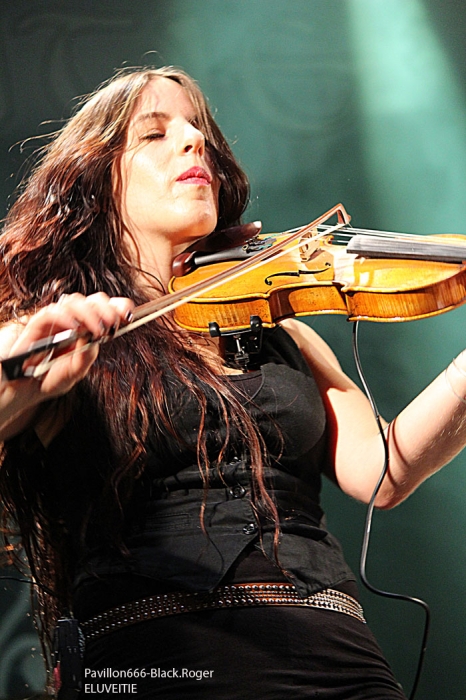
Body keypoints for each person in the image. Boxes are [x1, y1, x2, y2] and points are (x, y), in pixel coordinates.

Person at [1, 66, 466, 700]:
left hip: (337, 654)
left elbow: (383, 472)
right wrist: (24, 375)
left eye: (198, 129)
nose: (194, 140)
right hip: (156, 659)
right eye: (155, 133)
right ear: (96, 184)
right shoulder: (59, 331)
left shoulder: (281, 327)